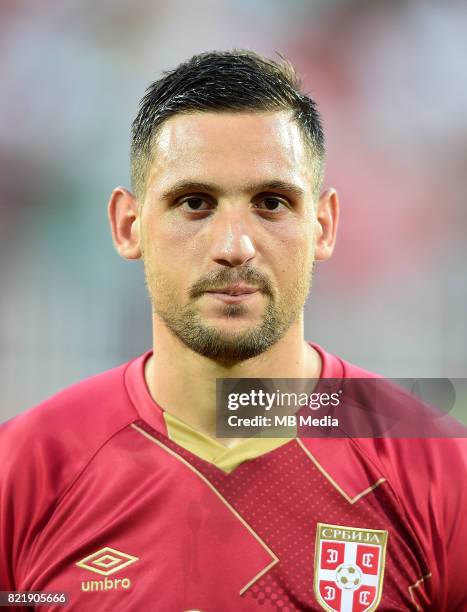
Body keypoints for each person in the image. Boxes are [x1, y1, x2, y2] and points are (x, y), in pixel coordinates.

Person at [0, 50, 466, 612]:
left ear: (324, 225)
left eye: (271, 203)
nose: (233, 248)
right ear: (129, 225)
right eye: (194, 203)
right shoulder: (25, 469)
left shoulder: (440, 468)